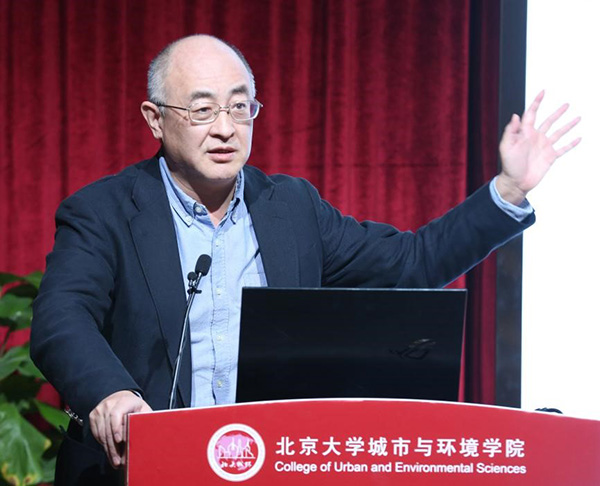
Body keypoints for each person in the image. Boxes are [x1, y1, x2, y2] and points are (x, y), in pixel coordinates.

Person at [30, 34, 580, 485]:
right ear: (155, 119)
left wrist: (508, 190)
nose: (225, 128)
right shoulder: (104, 211)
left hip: (268, 467)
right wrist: (111, 392)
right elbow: (61, 317)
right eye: (202, 110)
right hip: (140, 471)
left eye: (240, 107)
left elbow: (410, 263)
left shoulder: (291, 208)